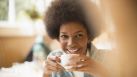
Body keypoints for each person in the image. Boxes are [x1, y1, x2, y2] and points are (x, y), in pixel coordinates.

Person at [43, 0, 108, 77]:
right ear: (58, 37)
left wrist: (102, 73)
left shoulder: (107, 58)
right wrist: (46, 73)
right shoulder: (54, 58)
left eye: (78, 35)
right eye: (64, 36)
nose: (71, 43)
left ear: (89, 36)